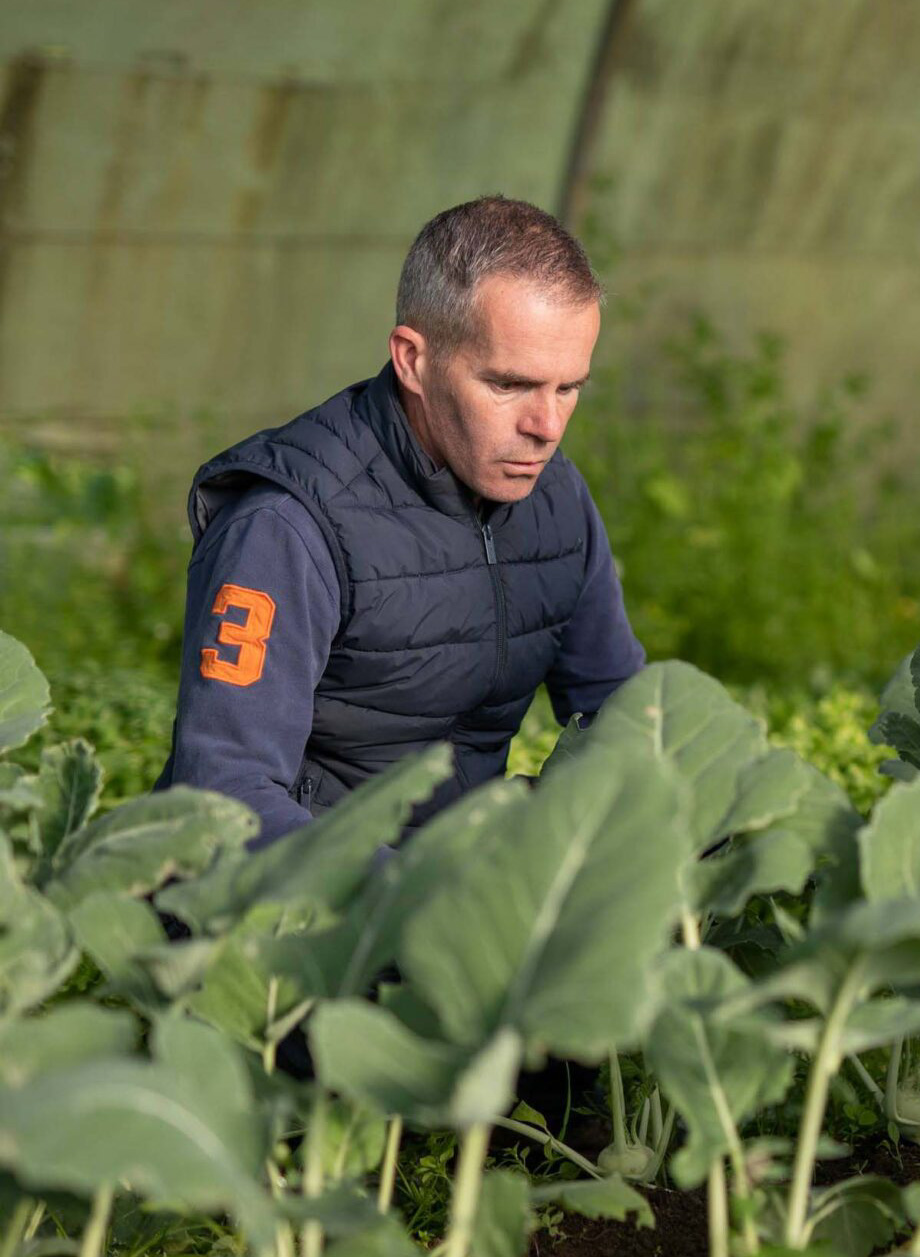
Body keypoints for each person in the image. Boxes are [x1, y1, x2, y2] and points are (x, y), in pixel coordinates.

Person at [154, 195, 645, 846]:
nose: (545, 428)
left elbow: (622, 715)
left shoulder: (555, 499)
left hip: (462, 880)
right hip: (294, 916)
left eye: (568, 387)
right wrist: (417, 902)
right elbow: (223, 796)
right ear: (414, 359)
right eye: (507, 385)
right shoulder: (287, 526)